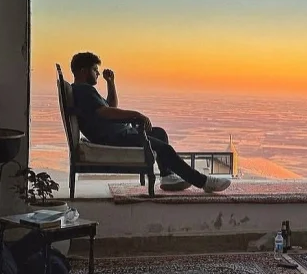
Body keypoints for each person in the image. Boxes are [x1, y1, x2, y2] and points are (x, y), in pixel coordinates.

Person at [69, 52, 231, 193]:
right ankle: (203, 182)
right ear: (83, 71)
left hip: (118, 133)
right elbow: (105, 112)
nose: (98, 73)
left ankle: (167, 176)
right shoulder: (84, 90)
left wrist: (111, 83)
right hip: (115, 137)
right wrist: (136, 115)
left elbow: (110, 106)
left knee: (159, 133)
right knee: (165, 149)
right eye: (94, 70)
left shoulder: (83, 90)